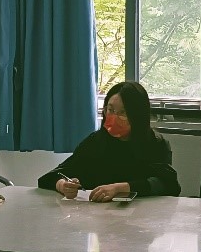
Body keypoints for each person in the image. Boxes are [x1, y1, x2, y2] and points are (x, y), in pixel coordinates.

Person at [38, 82, 181, 201]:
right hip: (98, 218)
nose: (114, 117)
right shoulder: (95, 142)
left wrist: (120, 188)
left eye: (123, 112)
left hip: (142, 218)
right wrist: (63, 185)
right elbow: (47, 178)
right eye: (110, 110)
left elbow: (169, 185)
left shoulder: (154, 143)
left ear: (137, 116)